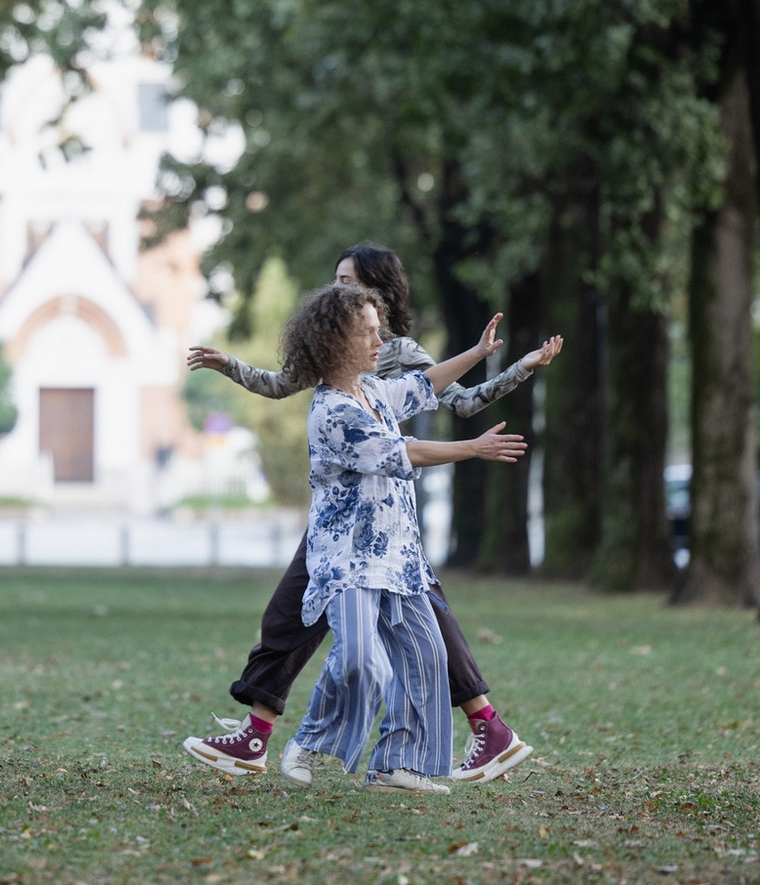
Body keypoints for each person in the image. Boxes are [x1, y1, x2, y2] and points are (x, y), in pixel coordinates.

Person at [183, 243, 561, 786]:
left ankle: (422, 751)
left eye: (348, 282)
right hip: (351, 543)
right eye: (335, 283)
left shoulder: (382, 372)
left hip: (393, 541)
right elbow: (388, 442)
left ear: (377, 298)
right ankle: (285, 739)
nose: (338, 291)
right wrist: (232, 366)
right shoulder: (336, 398)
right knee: (334, 641)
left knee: (425, 644)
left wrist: (499, 359)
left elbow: (438, 392)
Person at [276, 282, 472, 792]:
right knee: (363, 659)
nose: (378, 341)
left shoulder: (376, 390)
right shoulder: (332, 411)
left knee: (427, 657)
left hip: (399, 557)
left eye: (378, 330)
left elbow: (426, 385)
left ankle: (396, 766)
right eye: (366, 333)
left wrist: (479, 352)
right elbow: (399, 452)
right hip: (349, 561)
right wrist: (474, 448)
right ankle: (309, 742)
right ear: (334, 342)